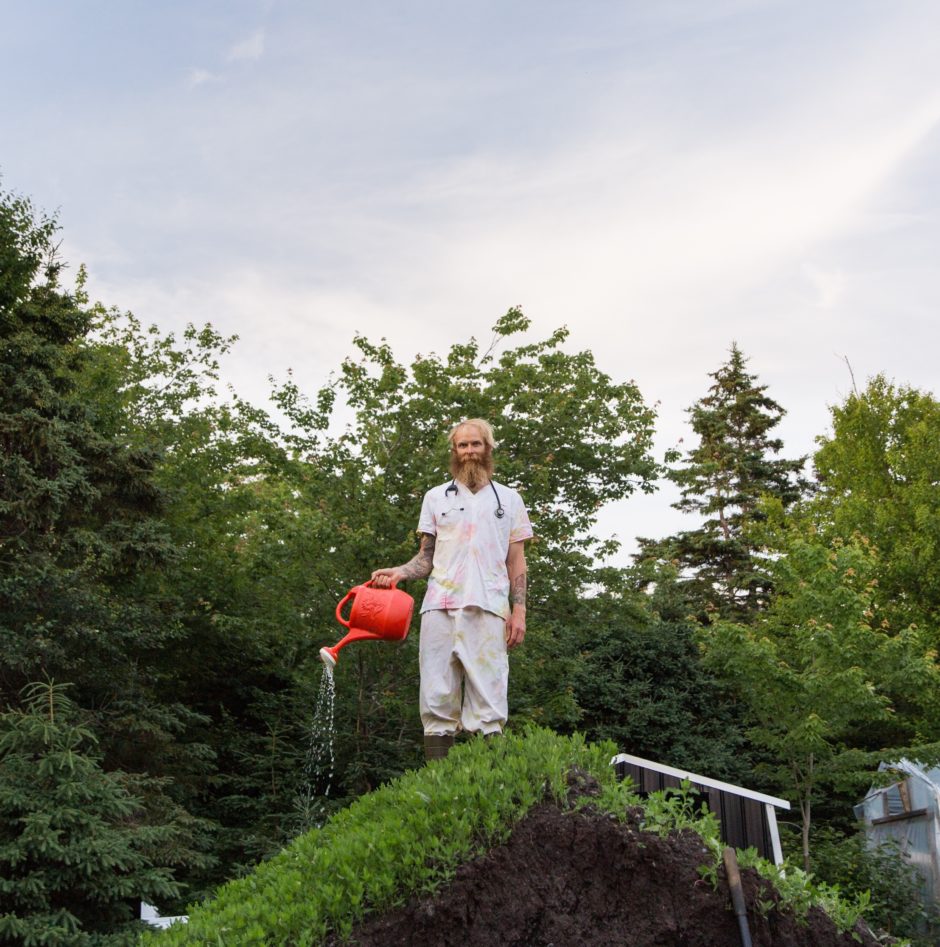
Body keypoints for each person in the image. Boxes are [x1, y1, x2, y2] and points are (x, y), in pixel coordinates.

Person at [372, 419, 533, 760]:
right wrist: (400, 572)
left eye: (476, 444)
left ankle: (492, 788)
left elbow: (516, 561)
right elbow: (425, 558)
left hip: (489, 606)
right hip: (440, 606)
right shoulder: (435, 498)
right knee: (436, 696)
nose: (469, 451)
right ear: (454, 451)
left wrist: (518, 612)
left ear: (487, 449)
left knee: (490, 698)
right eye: (463, 445)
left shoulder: (510, 499)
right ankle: (438, 786)